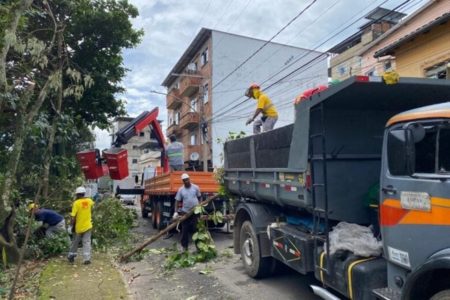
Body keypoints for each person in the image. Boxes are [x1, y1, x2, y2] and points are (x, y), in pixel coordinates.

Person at [173, 173, 201, 252]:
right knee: (184, 230)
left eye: (187, 180)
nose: (186, 182)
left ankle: (198, 247)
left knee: (196, 229)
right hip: (185, 212)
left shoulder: (195, 187)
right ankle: (184, 247)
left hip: (195, 212)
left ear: (189, 179)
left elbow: (199, 197)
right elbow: (177, 201)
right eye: (184, 181)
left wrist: (200, 206)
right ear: (183, 181)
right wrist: (175, 212)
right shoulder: (181, 190)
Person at [67, 186, 95, 265]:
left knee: (75, 242)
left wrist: (70, 226)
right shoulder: (89, 201)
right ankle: (87, 258)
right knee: (87, 242)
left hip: (79, 227)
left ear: (77, 194)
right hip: (88, 225)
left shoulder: (76, 203)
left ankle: (71, 255)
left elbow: (73, 216)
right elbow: (93, 206)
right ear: (84, 193)